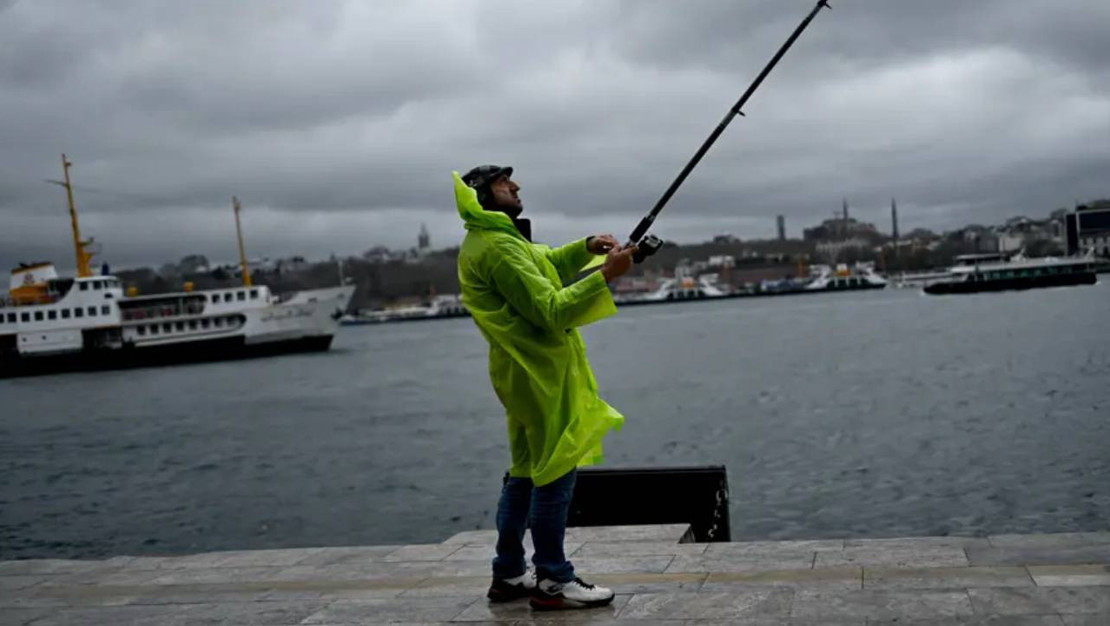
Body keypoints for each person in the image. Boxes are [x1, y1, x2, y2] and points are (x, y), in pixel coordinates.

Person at [453, 165, 635, 610]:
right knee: (554, 472)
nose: (515, 188)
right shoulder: (497, 247)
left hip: (522, 372)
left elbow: (546, 264)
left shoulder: (500, 239)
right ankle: (553, 578)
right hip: (537, 375)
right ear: (483, 196)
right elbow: (551, 309)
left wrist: (587, 249)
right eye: (503, 184)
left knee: (524, 473)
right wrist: (605, 275)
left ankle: (510, 573)